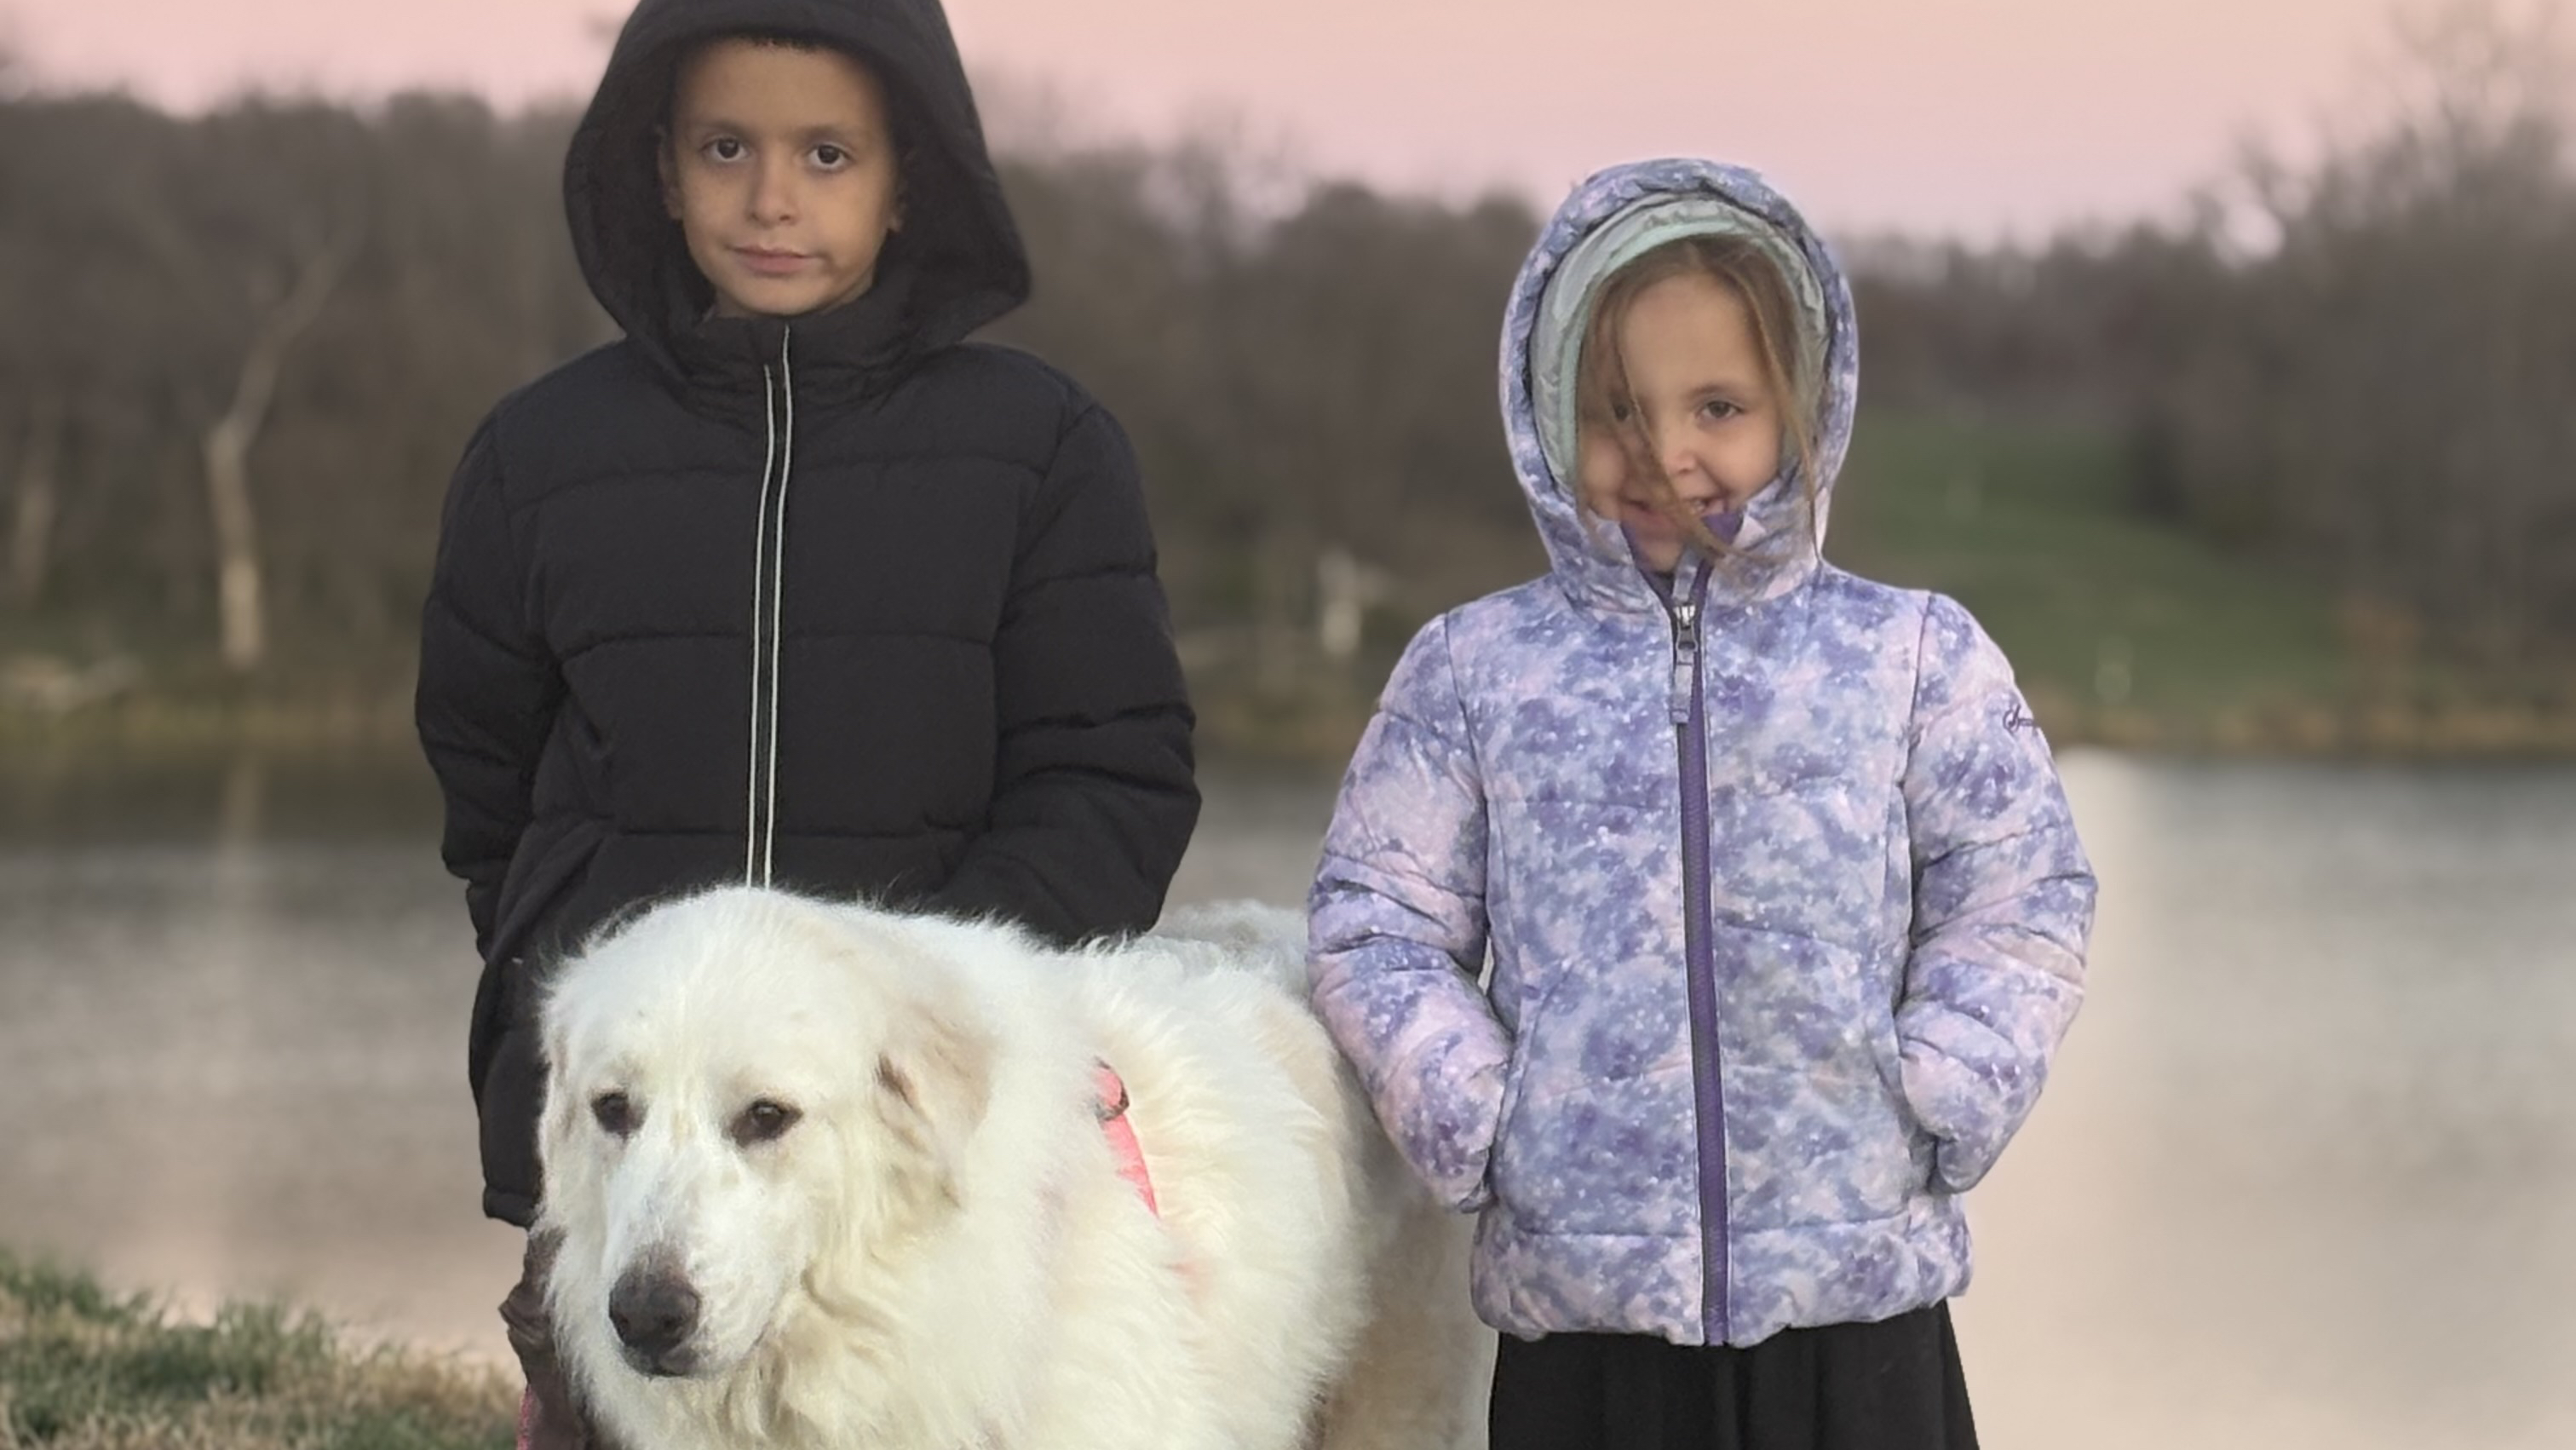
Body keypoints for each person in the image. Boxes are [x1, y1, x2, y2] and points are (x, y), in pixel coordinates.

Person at [413, 1, 1199, 1443]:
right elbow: (485, 777)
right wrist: (585, 981)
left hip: (912, 1153)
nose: (773, 198)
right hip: (632, 1142)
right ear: (661, 168)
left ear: (910, 181)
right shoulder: (538, 455)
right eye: (727, 148)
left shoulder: (1042, 450)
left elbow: (1113, 776)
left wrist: (913, 1007)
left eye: (828, 154)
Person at [1307, 158, 2096, 1450]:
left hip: (1858, 1324)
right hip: (1587, 1342)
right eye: (1617, 411)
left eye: (1718, 406)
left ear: (1803, 407)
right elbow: (1373, 919)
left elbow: (2023, 891)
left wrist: (1946, 1087)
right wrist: (1481, 1118)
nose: (1665, 455)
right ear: (1546, 415)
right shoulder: (1475, 671)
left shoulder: (1912, 657)